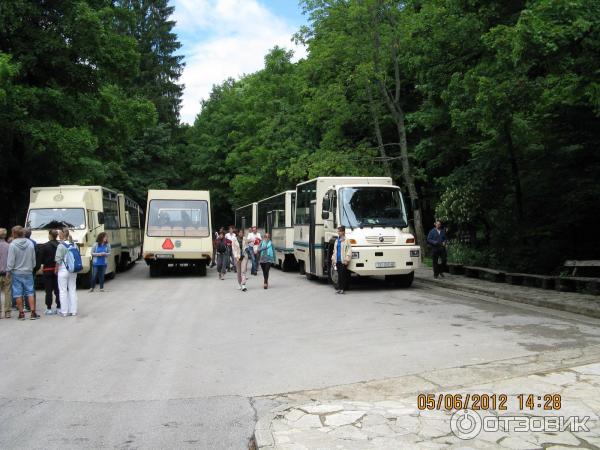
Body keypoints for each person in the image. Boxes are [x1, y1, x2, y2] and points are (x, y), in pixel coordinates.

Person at [7, 226, 39, 320]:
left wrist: (9, 270)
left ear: (14, 233)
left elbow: (11, 260)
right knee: (30, 292)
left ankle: (21, 314)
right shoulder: (30, 243)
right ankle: (33, 313)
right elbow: (33, 259)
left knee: (18, 293)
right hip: (28, 271)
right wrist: (32, 267)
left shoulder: (13, 245)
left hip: (16, 272)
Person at [55, 228, 78, 316]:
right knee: (72, 289)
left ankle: (64, 311)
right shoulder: (74, 244)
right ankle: (74, 311)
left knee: (63, 291)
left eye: (59, 234)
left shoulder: (61, 245)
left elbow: (58, 260)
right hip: (72, 270)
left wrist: (56, 269)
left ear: (61, 235)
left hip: (63, 270)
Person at [38, 229, 61, 315]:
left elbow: (41, 259)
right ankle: (59, 307)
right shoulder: (60, 245)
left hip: (47, 270)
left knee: (48, 290)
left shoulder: (44, 246)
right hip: (58, 270)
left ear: (50, 236)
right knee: (57, 290)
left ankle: (49, 308)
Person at [331, 226, 352, 294]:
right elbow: (335, 251)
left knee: (343, 275)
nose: (338, 232)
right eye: (338, 231)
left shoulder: (346, 240)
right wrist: (333, 259)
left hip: (343, 260)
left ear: (343, 232)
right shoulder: (337, 240)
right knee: (339, 275)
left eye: (340, 231)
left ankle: (343, 289)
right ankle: (339, 288)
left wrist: (347, 259)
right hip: (338, 260)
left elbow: (349, 250)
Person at [0, 228, 12, 319]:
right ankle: (7, 312)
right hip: (7, 272)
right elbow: (11, 260)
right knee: (7, 292)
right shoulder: (9, 246)